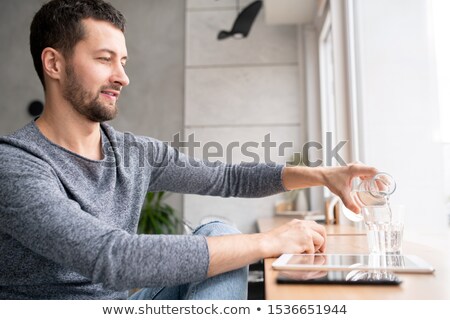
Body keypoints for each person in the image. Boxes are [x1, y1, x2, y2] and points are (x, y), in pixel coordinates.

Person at [0, 0, 377, 300]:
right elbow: (111, 258)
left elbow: (228, 177)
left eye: (123, 61)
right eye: (104, 59)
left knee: (222, 232)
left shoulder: (133, 153)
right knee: (237, 245)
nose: (123, 77)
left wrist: (323, 176)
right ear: (54, 63)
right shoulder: (16, 164)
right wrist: (268, 241)